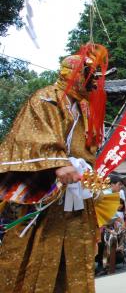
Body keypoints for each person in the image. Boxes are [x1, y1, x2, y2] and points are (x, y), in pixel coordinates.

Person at [0, 43, 109, 293]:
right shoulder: (44, 99)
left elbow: (86, 153)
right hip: (46, 199)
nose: (94, 85)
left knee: (76, 260)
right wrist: (57, 163)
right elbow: (25, 141)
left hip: (76, 203)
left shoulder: (83, 110)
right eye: (91, 77)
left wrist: (90, 175)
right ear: (72, 74)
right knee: (33, 255)